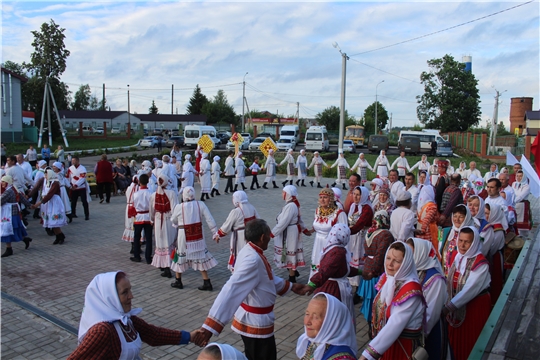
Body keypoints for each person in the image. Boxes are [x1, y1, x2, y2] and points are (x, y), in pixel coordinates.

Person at [195, 219, 312, 360]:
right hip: (255, 324)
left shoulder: (250, 250)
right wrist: (210, 327)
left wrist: (292, 287)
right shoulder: (253, 259)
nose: (270, 238)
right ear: (262, 237)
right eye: (269, 235)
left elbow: (267, 280)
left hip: (257, 322)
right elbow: (231, 289)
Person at [67, 271, 196, 359]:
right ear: (110, 298)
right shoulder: (102, 331)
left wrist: (189, 336)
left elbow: (153, 334)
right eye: (125, 292)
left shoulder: (125, 319)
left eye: (130, 290)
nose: (131, 296)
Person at [360, 242, 426, 360]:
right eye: (388, 258)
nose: (390, 264)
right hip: (386, 343)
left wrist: (367, 355)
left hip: (402, 347)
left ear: (406, 263)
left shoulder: (411, 290)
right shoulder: (390, 279)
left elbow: (394, 324)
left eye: (396, 261)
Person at [444, 227, 491, 360]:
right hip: (457, 305)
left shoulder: (480, 264)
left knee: (470, 338)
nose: (462, 245)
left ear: (474, 242)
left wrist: (448, 307)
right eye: (461, 241)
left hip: (474, 307)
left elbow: (469, 290)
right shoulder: (458, 256)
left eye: (467, 242)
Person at [406, 238, 448, 360]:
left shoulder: (435, 280)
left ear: (421, 254)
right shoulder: (413, 271)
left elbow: (431, 315)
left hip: (426, 332)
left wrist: (415, 337)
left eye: (411, 254)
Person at [170, 186, 218, 290]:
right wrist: (215, 232)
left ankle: (178, 281)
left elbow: (173, 220)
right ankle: (206, 281)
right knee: (200, 256)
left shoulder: (179, 207)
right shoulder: (200, 204)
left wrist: (178, 222)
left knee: (181, 255)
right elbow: (209, 218)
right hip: (198, 236)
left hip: (184, 235)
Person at [307, 224, 358, 318]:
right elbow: (326, 270)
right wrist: (312, 284)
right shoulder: (338, 252)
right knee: (334, 315)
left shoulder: (330, 247)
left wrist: (360, 272)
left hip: (326, 285)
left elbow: (342, 269)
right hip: (333, 288)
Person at [357, 211, 394, 333]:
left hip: (367, 267)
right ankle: (375, 325)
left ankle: (370, 324)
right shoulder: (385, 235)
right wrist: (375, 271)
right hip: (376, 272)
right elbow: (381, 255)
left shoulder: (370, 232)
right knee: (377, 300)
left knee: (369, 299)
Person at [296, 293, 358, 360]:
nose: (307, 322)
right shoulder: (312, 340)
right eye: (307, 314)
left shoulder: (341, 358)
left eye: (316, 317)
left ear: (332, 322)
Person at [215, 191, 260, 271]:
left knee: (239, 253)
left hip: (240, 237)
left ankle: (240, 272)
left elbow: (227, 225)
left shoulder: (236, 211)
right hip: (252, 235)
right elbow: (258, 220)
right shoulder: (251, 207)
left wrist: (218, 234)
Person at [308, 188, 348, 278]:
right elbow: (317, 225)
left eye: (325, 197)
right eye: (320, 197)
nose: (322, 200)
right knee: (316, 263)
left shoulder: (339, 213)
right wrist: (309, 230)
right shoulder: (318, 210)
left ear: (331, 199)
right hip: (318, 242)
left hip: (330, 245)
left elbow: (344, 232)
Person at [271, 185, 309, 283]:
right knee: (288, 251)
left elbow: (283, 222)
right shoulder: (292, 204)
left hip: (290, 232)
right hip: (290, 231)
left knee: (289, 252)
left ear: (288, 194)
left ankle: (292, 278)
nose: (282, 194)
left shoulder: (291, 206)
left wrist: (272, 233)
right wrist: (305, 230)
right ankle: (292, 271)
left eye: (284, 192)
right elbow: (300, 219)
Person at [150, 173, 179, 279]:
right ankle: (170, 264)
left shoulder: (153, 195)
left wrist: (152, 219)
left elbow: (151, 210)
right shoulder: (171, 193)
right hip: (169, 220)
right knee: (169, 241)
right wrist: (176, 221)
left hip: (158, 221)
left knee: (161, 242)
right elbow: (175, 208)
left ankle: (164, 266)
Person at [31, 169, 68, 245]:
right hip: (48, 203)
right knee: (51, 221)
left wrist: (39, 203)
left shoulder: (55, 183)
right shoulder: (46, 182)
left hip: (54, 203)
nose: (45, 176)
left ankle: (60, 236)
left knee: (54, 221)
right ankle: (59, 236)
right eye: (45, 175)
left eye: (46, 175)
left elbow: (50, 194)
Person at [481, 203, 507, 306]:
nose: (485, 216)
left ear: (494, 214)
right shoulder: (489, 226)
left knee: (495, 281)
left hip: (494, 258)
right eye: (485, 213)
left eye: (488, 213)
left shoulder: (498, 230)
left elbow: (492, 249)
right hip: (490, 256)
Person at [348, 186, 373, 290]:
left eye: (358, 195)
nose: (356, 197)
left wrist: (348, 231)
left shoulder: (367, 208)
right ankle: (351, 282)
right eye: (354, 194)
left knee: (359, 260)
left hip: (362, 237)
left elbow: (360, 223)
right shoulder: (354, 206)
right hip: (353, 236)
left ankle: (358, 287)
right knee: (352, 258)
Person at [1, 175, 32, 257]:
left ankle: (9, 249)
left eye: (4, 181)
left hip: (9, 213)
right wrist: (30, 205)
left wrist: (30, 205)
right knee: (14, 229)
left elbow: (1, 201)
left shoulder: (8, 191)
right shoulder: (13, 189)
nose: (2, 183)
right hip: (13, 212)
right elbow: (22, 198)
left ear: (8, 182)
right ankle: (24, 239)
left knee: (7, 230)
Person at [440, 204, 475, 276]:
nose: (457, 219)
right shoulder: (443, 231)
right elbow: (438, 251)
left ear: (467, 218)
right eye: (455, 216)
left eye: (461, 217)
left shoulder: (472, 235)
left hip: (461, 275)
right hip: (443, 273)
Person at [130, 174, 153, 264]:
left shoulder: (135, 194)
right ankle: (148, 257)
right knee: (149, 238)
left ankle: (137, 256)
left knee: (136, 237)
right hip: (148, 217)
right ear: (148, 182)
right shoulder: (151, 194)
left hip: (138, 217)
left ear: (139, 182)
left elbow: (133, 206)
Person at [416, 184, 440, 253]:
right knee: (431, 249)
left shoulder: (420, 204)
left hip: (419, 228)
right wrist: (423, 229)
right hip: (429, 230)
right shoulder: (431, 205)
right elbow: (427, 218)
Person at [67, 156, 90, 220]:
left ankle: (86, 214)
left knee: (84, 201)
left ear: (77, 161)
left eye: (74, 161)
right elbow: (68, 177)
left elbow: (82, 178)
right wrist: (69, 185)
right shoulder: (70, 168)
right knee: (73, 201)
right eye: (72, 161)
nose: (73, 162)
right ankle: (73, 213)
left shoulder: (82, 168)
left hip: (81, 187)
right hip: (73, 188)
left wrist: (76, 185)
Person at [512, 170, 531, 236]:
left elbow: (521, 196)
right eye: (517, 176)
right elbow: (512, 193)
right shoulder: (514, 184)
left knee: (521, 222)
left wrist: (512, 201)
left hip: (522, 205)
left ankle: (523, 237)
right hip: (514, 205)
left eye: (521, 176)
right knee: (515, 221)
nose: (518, 178)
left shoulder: (526, 186)